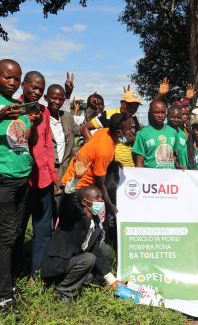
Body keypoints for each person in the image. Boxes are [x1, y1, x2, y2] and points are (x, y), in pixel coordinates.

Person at [41, 157, 120, 305]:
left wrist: (112, 281)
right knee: (89, 258)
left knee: (105, 250)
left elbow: (97, 252)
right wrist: (76, 179)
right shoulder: (73, 216)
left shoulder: (95, 221)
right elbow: (66, 205)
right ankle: (64, 292)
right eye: (97, 198)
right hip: (58, 266)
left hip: (74, 261)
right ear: (85, 202)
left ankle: (93, 280)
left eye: (101, 197)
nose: (101, 200)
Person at [0, 59, 37, 312]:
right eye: (7, 77)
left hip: (23, 178)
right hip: (3, 179)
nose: (12, 83)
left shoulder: (20, 106)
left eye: (16, 78)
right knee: (5, 237)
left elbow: (27, 139)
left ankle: (11, 284)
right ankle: (3, 296)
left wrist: (32, 120)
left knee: (17, 234)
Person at [18, 71, 61, 277]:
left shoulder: (44, 111)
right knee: (16, 230)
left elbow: (46, 146)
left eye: (40, 89)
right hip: (22, 179)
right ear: (23, 85)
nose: (36, 92)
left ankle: (37, 273)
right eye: (33, 87)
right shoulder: (12, 109)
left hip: (43, 180)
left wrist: (53, 176)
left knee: (42, 230)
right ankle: (14, 272)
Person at [62, 113, 132, 219]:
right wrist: (110, 205)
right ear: (118, 133)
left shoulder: (104, 132)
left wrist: (113, 163)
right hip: (80, 191)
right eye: (129, 129)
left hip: (71, 182)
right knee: (80, 226)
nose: (131, 132)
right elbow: (100, 183)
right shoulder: (104, 151)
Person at [81, 87, 141, 168]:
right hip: (109, 164)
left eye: (136, 106)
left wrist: (133, 140)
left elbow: (128, 142)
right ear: (122, 103)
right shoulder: (108, 115)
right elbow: (85, 128)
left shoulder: (134, 120)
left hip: (129, 165)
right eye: (130, 105)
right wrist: (94, 147)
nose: (133, 109)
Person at [45, 84, 81, 188]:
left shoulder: (67, 117)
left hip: (64, 172)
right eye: (54, 98)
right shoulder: (40, 117)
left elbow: (80, 130)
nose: (57, 102)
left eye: (60, 99)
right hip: (46, 172)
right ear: (46, 98)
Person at [132, 100, 177, 169]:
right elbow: (139, 163)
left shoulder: (173, 132)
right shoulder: (143, 133)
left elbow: (174, 155)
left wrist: (178, 165)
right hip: (151, 178)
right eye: (156, 112)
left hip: (170, 178)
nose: (160, 115)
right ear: (150, 113)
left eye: (163, 112)